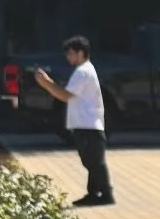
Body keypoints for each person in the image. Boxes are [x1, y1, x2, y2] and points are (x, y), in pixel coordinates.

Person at [33, 36, 112, 207]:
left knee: (94, 161)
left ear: (81, 53)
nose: (68, 57)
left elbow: (65, 96)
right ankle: (95, 193)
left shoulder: (83, 71)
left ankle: (105, 194)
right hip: (87, 124)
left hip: (88, 124)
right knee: (92, 161)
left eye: (70, 53)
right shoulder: (84, 70)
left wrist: (46, 84)